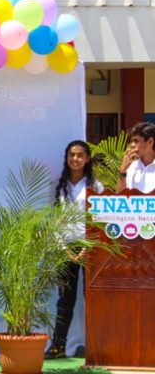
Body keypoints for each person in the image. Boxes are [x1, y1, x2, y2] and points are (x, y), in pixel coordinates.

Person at [45, 141, 103, 360]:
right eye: (72, 155)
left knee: (93, 298)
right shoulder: (58, 185)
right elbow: (54, 220)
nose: (75, 159)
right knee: (65, 299)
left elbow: (99, 220)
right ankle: (58, 346)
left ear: (87, 159)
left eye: (80, 155)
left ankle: (98, 346)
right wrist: (64, 249)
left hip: (90, 248)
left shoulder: (95, 186)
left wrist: (87, 247)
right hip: (65, 247)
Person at [117, 121, 155, 194]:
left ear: (150, 142)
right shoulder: (130, 168)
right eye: (132, 141)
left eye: (136, 141)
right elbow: (119, 200)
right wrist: (122, 171)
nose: (132, 145)